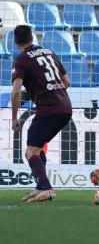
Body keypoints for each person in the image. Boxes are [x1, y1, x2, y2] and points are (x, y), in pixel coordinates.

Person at [10, 25, 72, 202]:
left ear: (15, 41)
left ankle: (47, 188)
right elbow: (67, 82)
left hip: (49, 109)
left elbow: (15, 92)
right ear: (32, 37)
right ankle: (40, 187)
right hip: (65, 107)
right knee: (36, 147)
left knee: (30, 152)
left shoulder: (21, 59)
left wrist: (14, 118)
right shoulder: (49, 52)